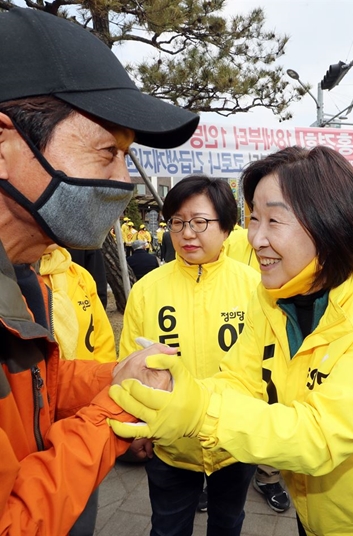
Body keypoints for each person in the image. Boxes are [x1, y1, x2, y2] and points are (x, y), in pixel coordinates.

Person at [109, 145, 353, 536]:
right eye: (253, 219)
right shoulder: (272, 296)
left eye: (274, 220)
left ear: (329, 222)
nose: (255, 238)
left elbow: (322, 434)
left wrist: (199, 412)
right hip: (310, 507)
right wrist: (177, 390)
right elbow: (242, 380)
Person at [0, 7, 198, 535]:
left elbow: (38, 385)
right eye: (107, 152)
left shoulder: (25, 275)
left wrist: (115, 378)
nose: (123, 180)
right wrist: (110, 415)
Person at [119, 176, 259, 536]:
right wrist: (136, 427)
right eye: (177, 222)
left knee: (227, 525)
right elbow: (129, 366)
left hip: (234, 440)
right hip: (169, 444)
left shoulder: (255, 287)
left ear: (227, 227)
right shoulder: (147, 288)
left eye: (200, 222)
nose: (187, 233)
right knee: (167, 527)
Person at [39, 245, 118, 536]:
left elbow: (102, 343)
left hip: (79, 420)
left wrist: (103, 404)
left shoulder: (79, 275)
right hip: (31, 426)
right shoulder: (18, 278)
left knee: (80, 518)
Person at [222, 225, 292, 513]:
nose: (259, 238)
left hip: (270, 333)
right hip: (239, 335)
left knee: (275, 400)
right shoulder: (237, 238)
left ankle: (268, 476)